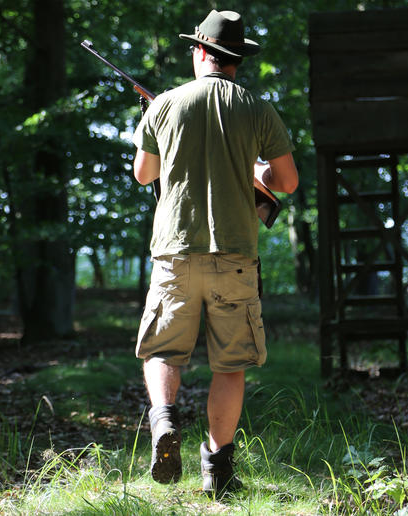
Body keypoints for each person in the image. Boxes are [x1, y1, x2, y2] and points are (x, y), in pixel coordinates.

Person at [132, 9, 299, 496]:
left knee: (163, 350)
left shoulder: (163, 104)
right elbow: (285, 182)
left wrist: (151, 121)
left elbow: (144, 174)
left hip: (174, 254)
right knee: (230, 364)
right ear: (236, 60)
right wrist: (256, 173)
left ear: (199, 51)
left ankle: (164, 422)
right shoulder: (258, 109)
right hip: (235, 256)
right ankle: (218, 471)